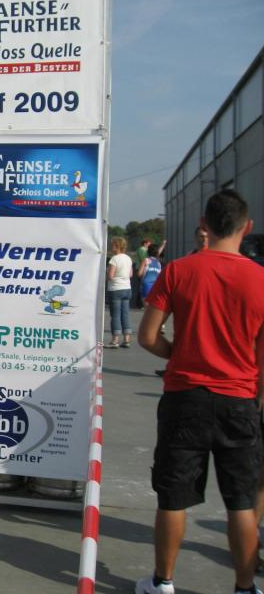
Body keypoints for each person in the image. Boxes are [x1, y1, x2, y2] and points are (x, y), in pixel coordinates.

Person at [135, 189, 264, 594]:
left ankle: (163, 582)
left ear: (204, 225)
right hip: (239, 399)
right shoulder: (260, 279)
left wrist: (180, 353)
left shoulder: (178, 271)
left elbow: (147, 336)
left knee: (173, 498)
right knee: (241, 501)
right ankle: (245, 587)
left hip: (185, 397)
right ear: (247, 227)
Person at [105, 236, 133, 348]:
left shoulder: (114, 259)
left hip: (115, 289)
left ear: (116, 246)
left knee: (115, 315)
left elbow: (110, 276)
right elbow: (131, 274)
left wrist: (106, 274)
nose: (111, 247)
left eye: (112, 245)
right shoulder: (128, 258)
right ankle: (127, 339)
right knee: (125, 314)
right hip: (127, 288)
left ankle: (115, 340)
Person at [133, 238, 152, 309]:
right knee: (141, 286)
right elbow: (143, 259)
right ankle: (139, 304)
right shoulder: (142, 249)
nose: (150, 245)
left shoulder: (144, 250)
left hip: (143, 268)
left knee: (142, 285)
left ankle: (140, 303)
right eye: (149, 244)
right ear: (145, 243)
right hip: (140, 268)